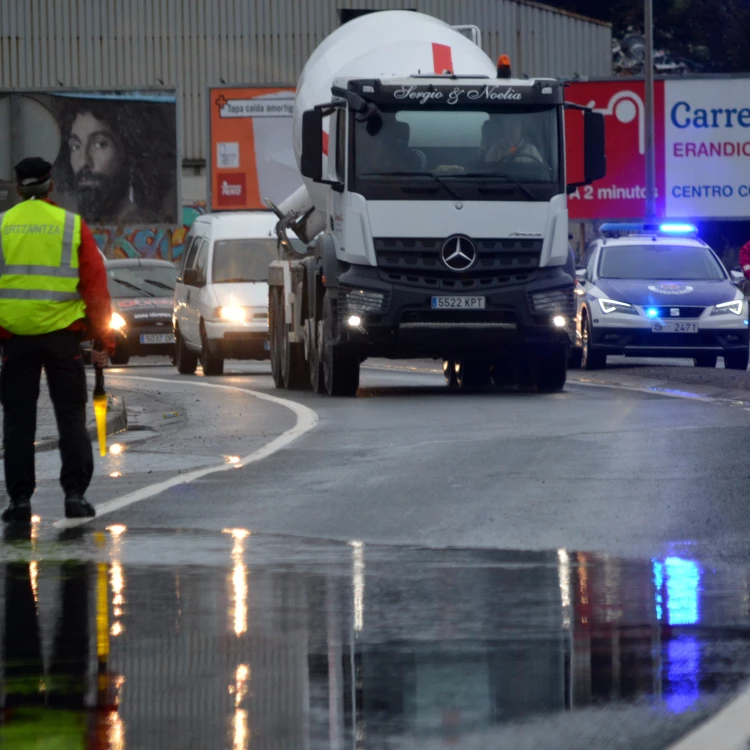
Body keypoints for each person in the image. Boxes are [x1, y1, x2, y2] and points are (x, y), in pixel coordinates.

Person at [0, 157, 114, 522]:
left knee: (18, 420)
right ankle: (74, 496)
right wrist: (102, 342)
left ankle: (19, 501)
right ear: (51, 187)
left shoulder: (2, 227)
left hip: (14, 339)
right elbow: (95, 289)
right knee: (70, 416)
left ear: (18, 189)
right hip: (63, 340)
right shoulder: (72, 227)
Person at [63, 102, 161, 225]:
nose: (83, 162)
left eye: (100, 144)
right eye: (75, 146)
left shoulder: (146, 229)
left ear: (131, 152)